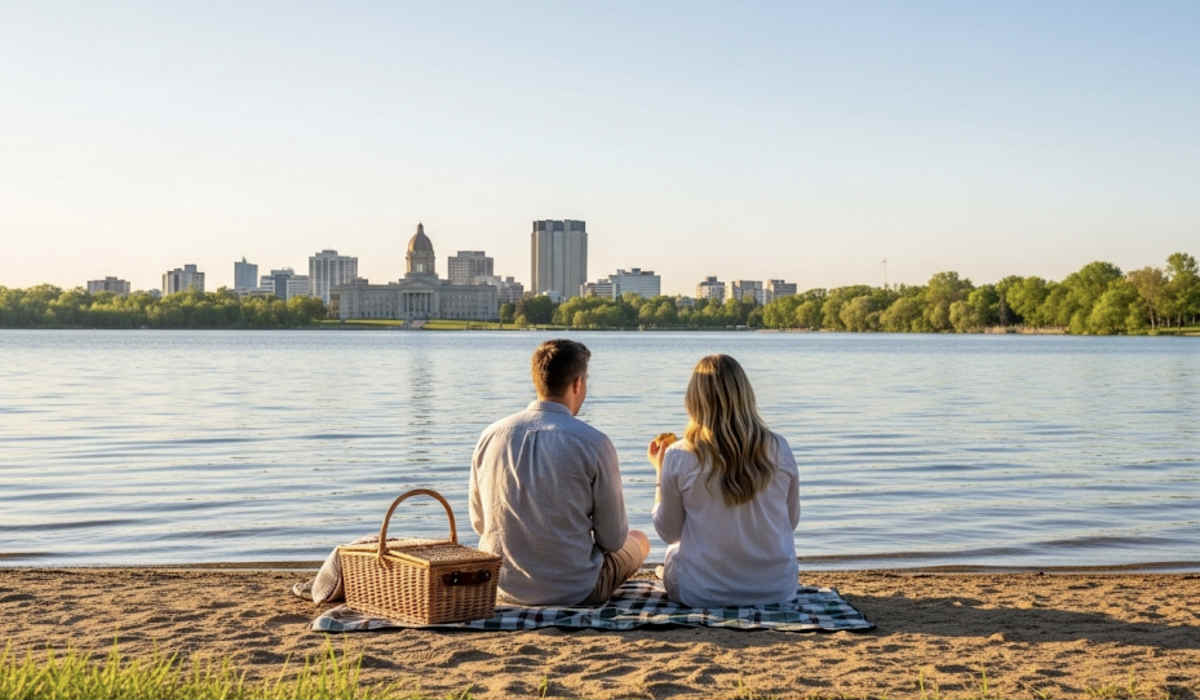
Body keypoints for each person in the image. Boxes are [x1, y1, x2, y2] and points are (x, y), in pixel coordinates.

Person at [470, 339, 649, 605]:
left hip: (500, 587)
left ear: (537, 381)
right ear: (577, 384)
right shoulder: (594, 443)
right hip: (575, 591)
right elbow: (612, 540)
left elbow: (479, 523)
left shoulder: (490, 435)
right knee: (639, 540)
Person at [648, 354, 800, 608]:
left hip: (702, 593)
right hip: (776, 589)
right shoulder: (779, 447)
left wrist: (659, 473)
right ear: (745, 395)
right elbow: (790, 521)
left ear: (693, 400)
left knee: (673, 554)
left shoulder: (679, 454)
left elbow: (669, 532)